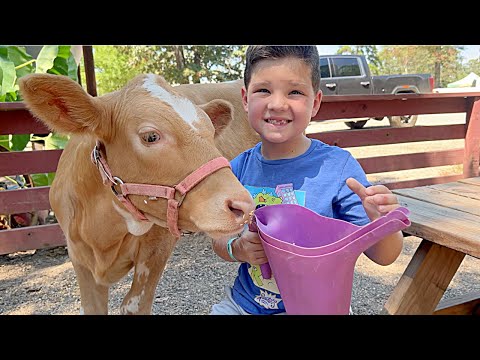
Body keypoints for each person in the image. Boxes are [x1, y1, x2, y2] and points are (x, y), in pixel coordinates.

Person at [210, 45, 404, 315]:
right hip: (243, 306)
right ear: (245, 98)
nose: (277, 103)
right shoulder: (236, 169)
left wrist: (383, 222)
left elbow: (384, 257)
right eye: (263, 90)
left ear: (315, 102)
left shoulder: (338, 168)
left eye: (295, 92)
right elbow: (219, 241)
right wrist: (237, 248)